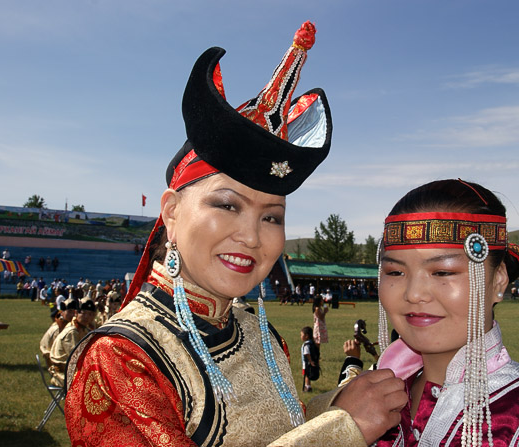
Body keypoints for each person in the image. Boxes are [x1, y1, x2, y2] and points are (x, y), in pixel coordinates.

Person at [65, 22, 406, 447]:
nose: (251, 236)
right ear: (171, 212)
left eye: (272, 217)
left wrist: (343, 403)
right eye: (227, 205)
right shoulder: (121, 358)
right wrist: (342, 428)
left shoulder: (256, 331)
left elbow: (273, 430)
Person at [321, 179, 519, 446]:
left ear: (498, 280)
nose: (414, 294)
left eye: (442, 272)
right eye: (395, 272)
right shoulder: (362, 399)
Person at [48, 297, 95, 386]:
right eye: (83, 313)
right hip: (63, 375)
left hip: (70, 371)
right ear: (76, 313)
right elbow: (76, 357)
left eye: (90, 314)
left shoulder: (82, 329)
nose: (86, 317)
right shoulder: (72, 331)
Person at [300, 326, 319, 392]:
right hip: (311, 362)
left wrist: (310, 361)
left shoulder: (306, 344)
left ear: (306, 336)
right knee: (308, 375)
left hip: (306, 364)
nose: (301, 336)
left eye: (301, 335)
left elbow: (306, 353)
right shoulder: (312, 343)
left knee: (307, 375)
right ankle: (308, 385)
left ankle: (307, 387)